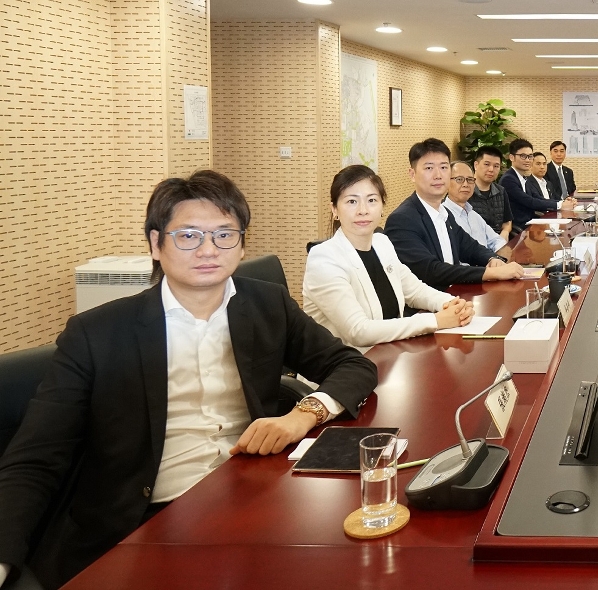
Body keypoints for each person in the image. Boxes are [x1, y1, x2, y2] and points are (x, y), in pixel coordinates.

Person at [0, 170, 377, 589]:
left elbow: (353, 365)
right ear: (155, 243)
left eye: (224, 235)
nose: (208, 249)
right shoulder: (97, 334)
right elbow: (34, 459)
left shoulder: (265, 303)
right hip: (145, 522)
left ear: (242, 244)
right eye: (188, 236)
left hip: (255, 497)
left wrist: (301, 416)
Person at [305, 165, 475, 351]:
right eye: (352, 201)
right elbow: (358, 331)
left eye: (371, 200)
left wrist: (452, 304)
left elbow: (415, 291)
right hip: (345, 364)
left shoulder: (382, 242)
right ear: (335, 209)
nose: (363, 210)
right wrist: (435, 320)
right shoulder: (323, 259)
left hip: (390, 354)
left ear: (382, 207)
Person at [386, 138, 526, 290]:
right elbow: (431, 271)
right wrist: (490, 273)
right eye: (429, 168)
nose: (438, 175)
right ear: (412, 174)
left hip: (455, 294)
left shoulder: (444, 213)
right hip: (429, 301)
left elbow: (469, 247)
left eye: (444, 167)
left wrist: (492, 259)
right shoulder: (402, 219)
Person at [444, 161, 514, 260]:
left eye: (470, 180)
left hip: (489, 263)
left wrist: (503, 255)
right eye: (459, 179)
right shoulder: (443, 216)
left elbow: (496, 240)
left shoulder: (474, 215)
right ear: (445, 183)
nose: (466, 184)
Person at [501, 138, 576, 230]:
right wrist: (560, 205)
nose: (528, 160)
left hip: (532, 223)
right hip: (520, 228)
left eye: (530, 156)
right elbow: (530, 201)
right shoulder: (508, 179)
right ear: (512, 157)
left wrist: (563, 202)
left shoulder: (523, 178)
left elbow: (538, 198)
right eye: (523, 156)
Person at [470, 145, 514, 241]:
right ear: (476, 165)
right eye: (487, 164)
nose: (491, 169)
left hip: (498, 242)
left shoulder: (501, 191)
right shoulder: (465, 191)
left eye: (496, 166)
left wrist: (505, 232)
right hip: (475, 244)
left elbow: (507, 221)